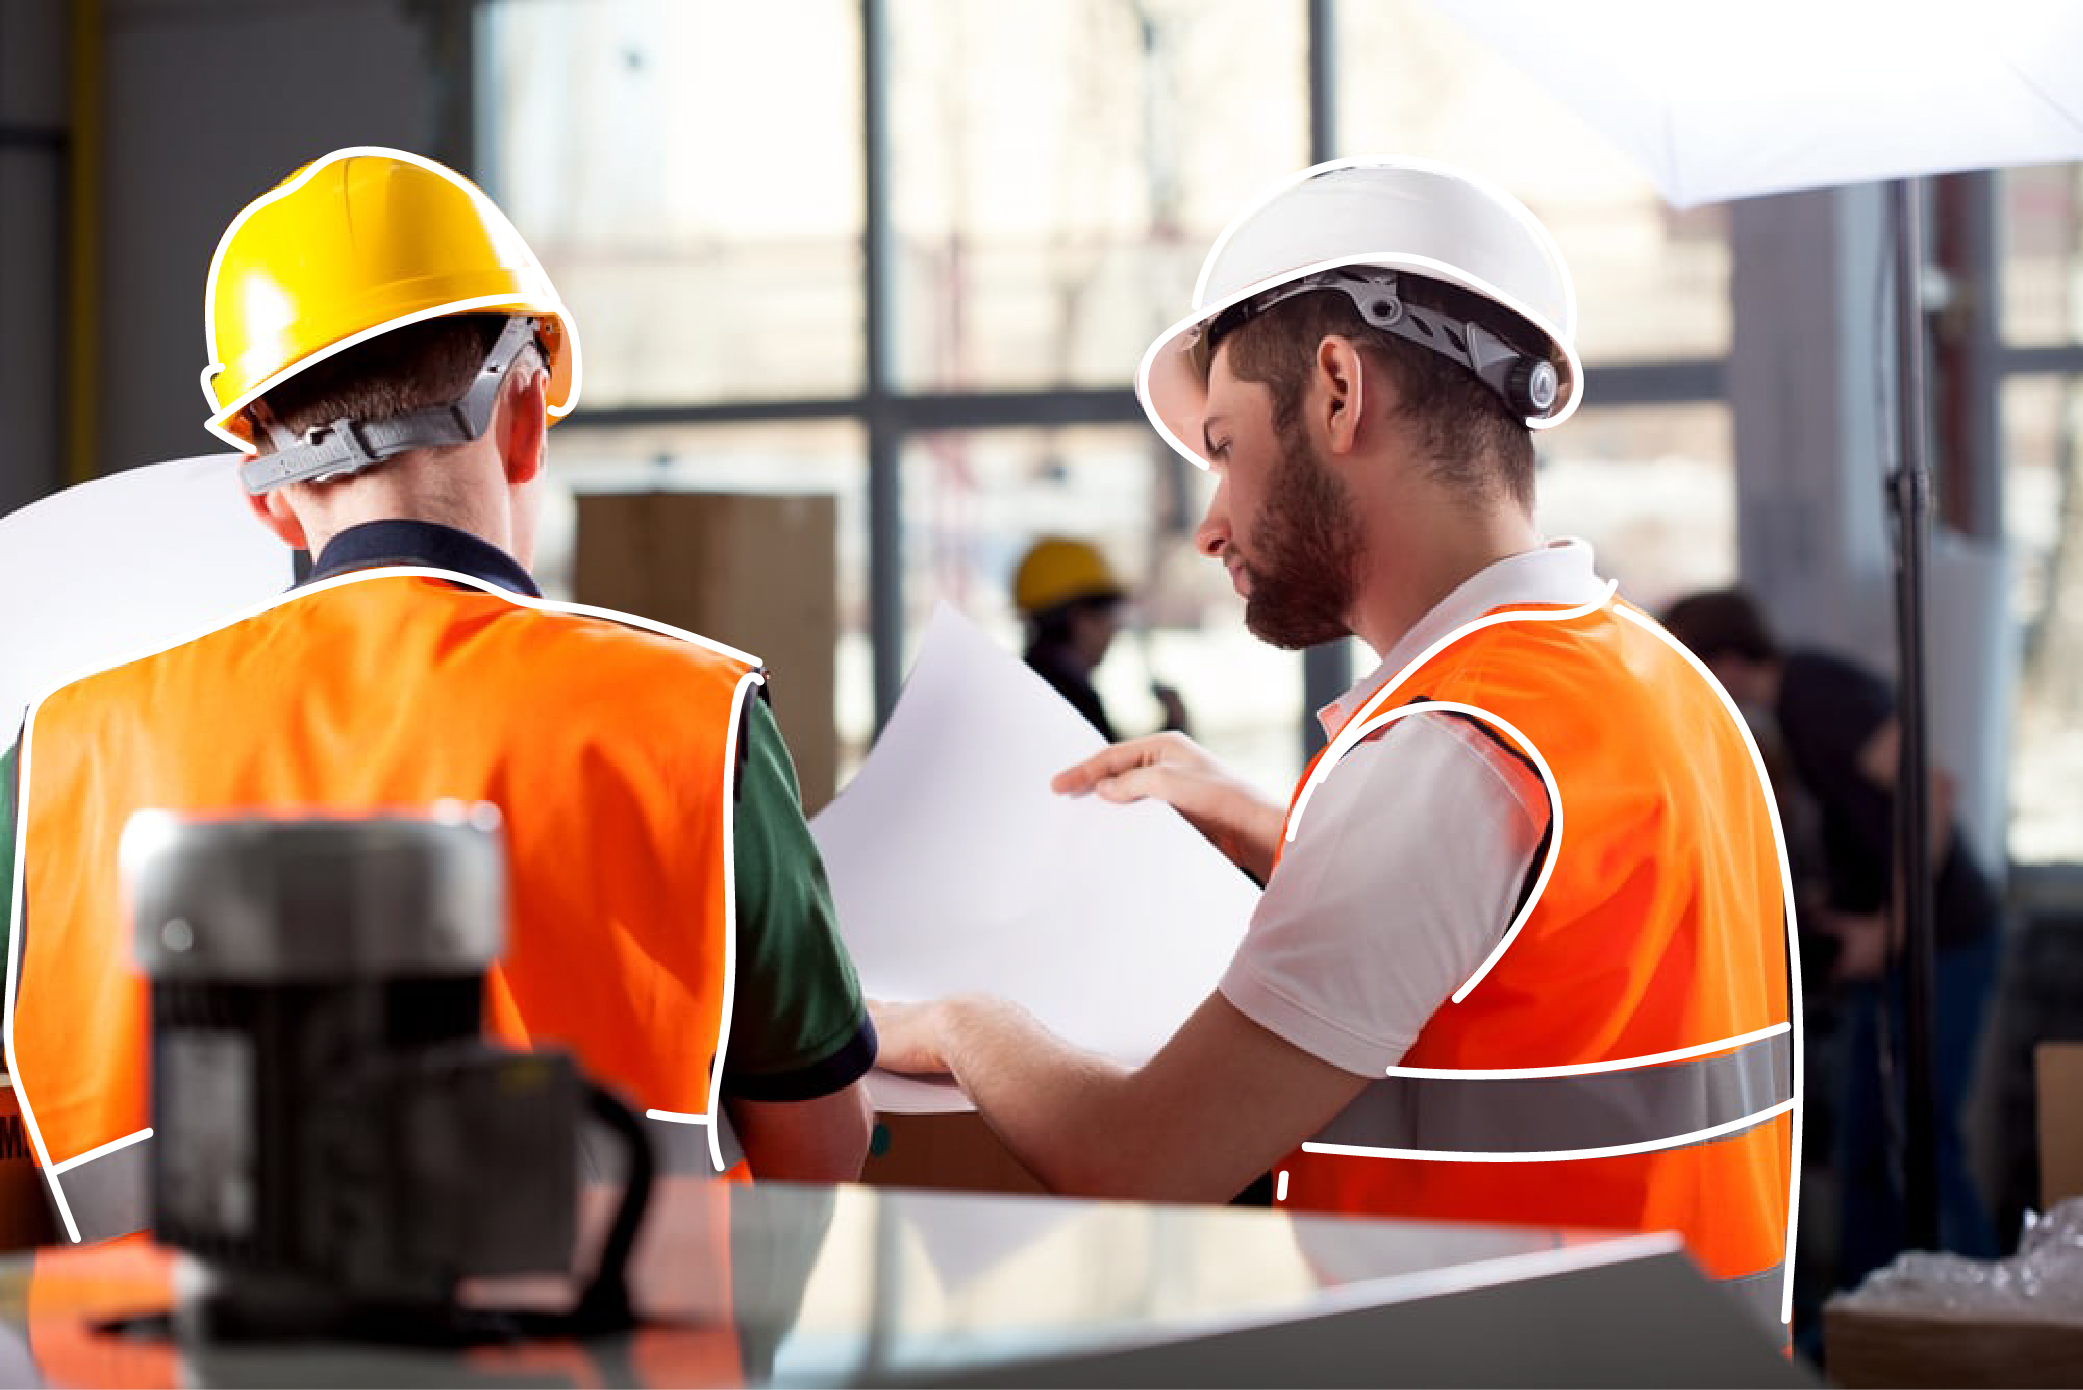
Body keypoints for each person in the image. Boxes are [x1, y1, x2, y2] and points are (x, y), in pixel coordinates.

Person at [872, 157, 1796, 1333]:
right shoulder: (1657, 682)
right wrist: (1289, 832)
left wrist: (960, 1018)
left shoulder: (1449, 753)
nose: (1209, 526)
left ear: (1338, 390)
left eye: (1221, 445)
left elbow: (1146, 1159)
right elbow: (1538, 959)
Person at [2, 148, 874, 1244]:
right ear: (523, 414)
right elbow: (819, 1153)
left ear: (267, 498)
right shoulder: (696, 718)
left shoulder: (58, 754)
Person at [1660, 588, 2001, 1289]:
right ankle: (1867, 1319)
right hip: (1900, 943)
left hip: (1947, 942)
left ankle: (1989, 1322)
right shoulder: (1790, 717)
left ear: (1723, 660)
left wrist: (1893, 931)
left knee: (1923, 1144)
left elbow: (1928, 790)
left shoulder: (1815, 692)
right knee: (1864, 1152)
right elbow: (1868, 826)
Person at [1012, 535, 1189, 741]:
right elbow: (1106, 769)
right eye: (1110, 613)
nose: (1114, 629)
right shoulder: (1070, 700)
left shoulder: (1028, 687)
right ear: (1082, 619)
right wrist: (1174, 730)